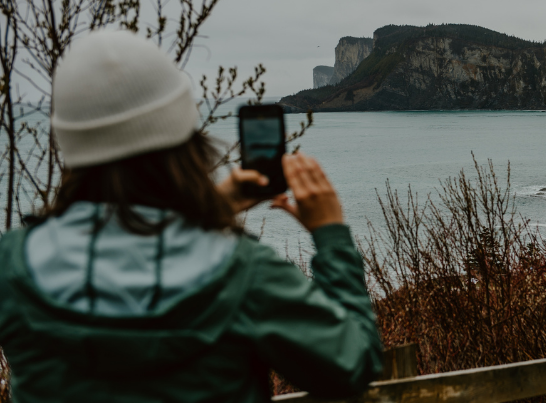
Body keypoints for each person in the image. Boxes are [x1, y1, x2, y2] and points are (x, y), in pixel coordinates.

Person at [0, 31, 384, 402]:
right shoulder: (240, 271)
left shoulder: (12, 264)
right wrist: (331, 235)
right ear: (185, 139)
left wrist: (208, 212)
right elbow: (351, 364)